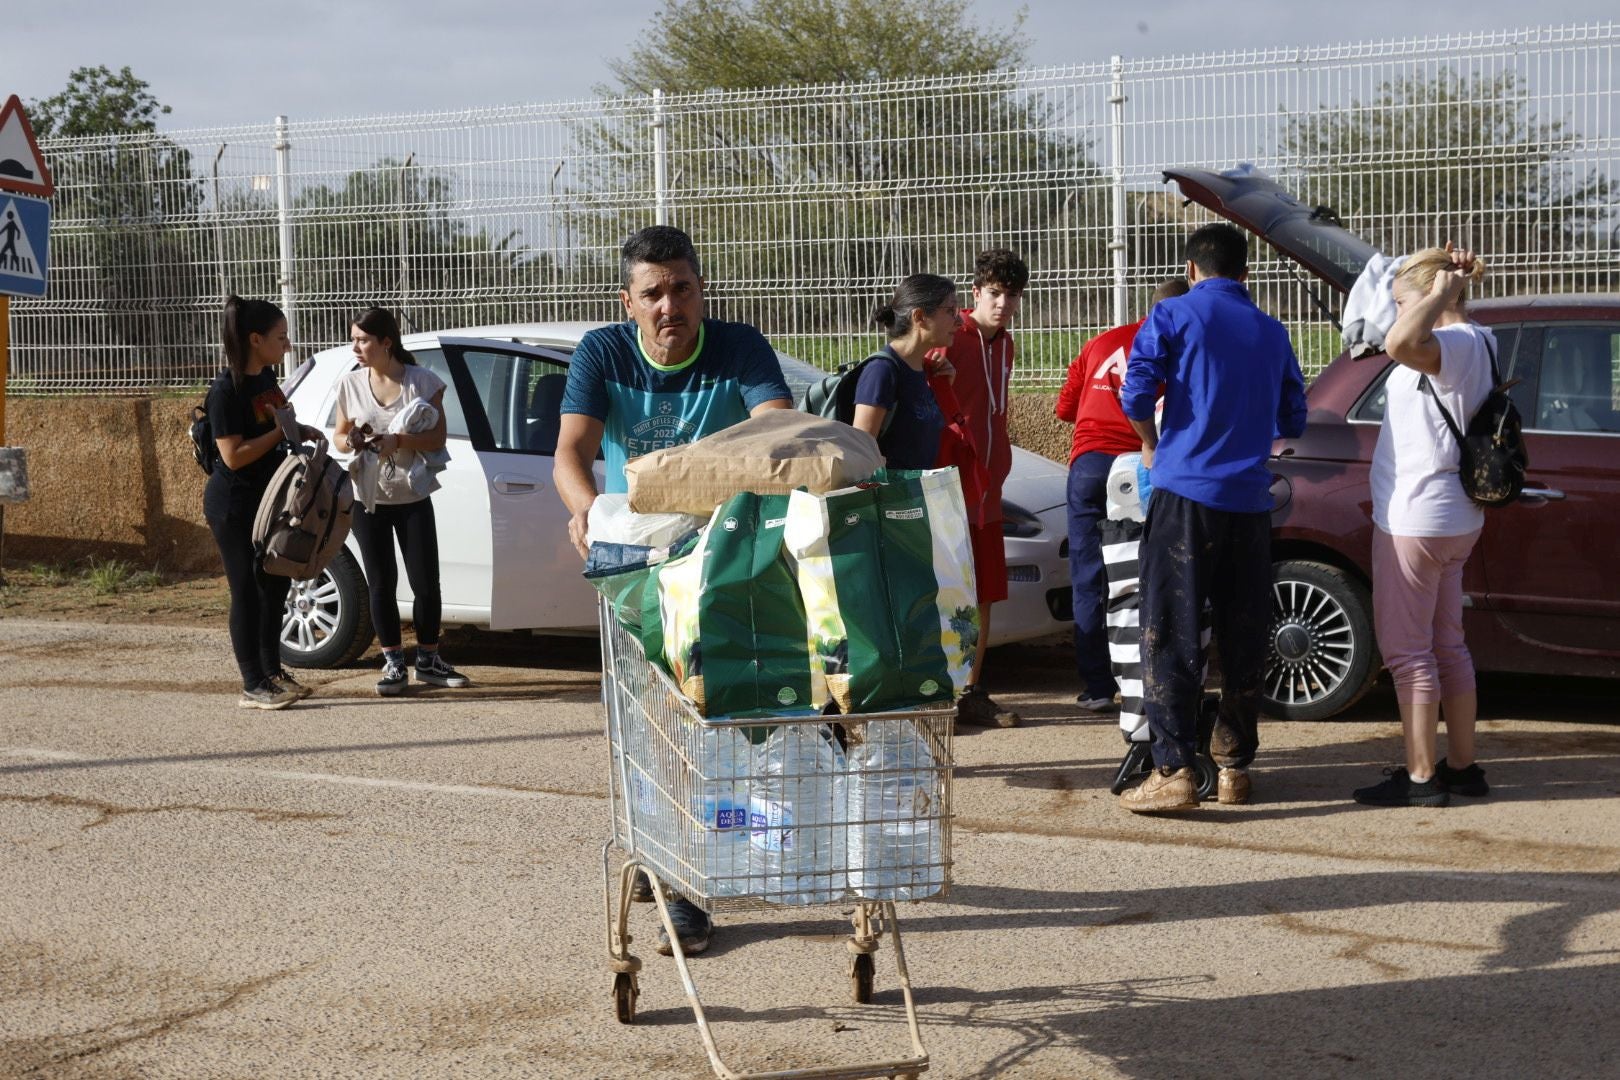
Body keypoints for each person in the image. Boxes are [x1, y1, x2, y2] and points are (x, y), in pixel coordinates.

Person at [553, 225, 792, 956]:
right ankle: (680, 883)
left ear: (700, 290)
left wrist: (703, 484)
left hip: (730, 564)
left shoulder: (739, 346)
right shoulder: (603, 352)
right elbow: (571, 451)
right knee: (659, 732)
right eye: (652, 293)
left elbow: (776, 429)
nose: (669, 306)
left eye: (681, 288)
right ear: (628, 301)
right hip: (643, 568)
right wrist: (587, 512)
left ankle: (740, 859)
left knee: (737, 724)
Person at [1118, 223, 1308, 812]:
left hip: (1184, 497)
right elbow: (1294, 417)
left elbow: (1133, 393)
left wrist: (1151, 440)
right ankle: (1234, 767)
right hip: (1249, 503)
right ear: (1245, 274)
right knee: (1244, 633)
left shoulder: (1173, 315)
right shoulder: (1272, 330)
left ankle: (1174, 768)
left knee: (1171, 630)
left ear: (1192, 269)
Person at [1353, 245, 1494, 808]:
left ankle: (1418, 778)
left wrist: (1435, 294)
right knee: (1446, 645)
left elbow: (1397, 341)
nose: (1393, 311)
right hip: (1453, 517)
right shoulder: (1480, 339)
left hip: (1417, 518)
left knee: (1409, 653)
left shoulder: (1452, 344)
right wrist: (1435, 284)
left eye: (1398, 300)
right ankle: (1462, 767)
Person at [1056, 278, 1189, 714]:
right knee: (1144, 574)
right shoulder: (1177, 345)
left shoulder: (1101, 343)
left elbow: (1064, 409)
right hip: (1137, 468)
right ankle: (1146, 679)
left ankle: (1096, 686)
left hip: (1088, 466)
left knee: (1087, 576)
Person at [333, 306, 468, 697]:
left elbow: (438, 439)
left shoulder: (423, 382)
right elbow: (338, 436)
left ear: (385, 342)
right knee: (380, 582)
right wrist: (352, 440)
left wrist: (400, 441)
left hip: (412, 495)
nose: (355, 346)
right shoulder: (350, 385)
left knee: (426, 581)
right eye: (354, 339)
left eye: (363, 340)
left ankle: (428, 660)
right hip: (367, 497)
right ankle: (393, 662)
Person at [926, 249, 1029, 729]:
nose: (1003, 303)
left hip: (989, 489)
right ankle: (934, 689)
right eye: (994, 293)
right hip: (951, 487)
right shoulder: (950, 339)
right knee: (945, 588)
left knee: (985, 590)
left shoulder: (1005, 344)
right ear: (976, 293)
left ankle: (972, 689)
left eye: (1011, 295)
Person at [204, 295, 316, 710]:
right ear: (255, 339)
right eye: (280, 337)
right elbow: (233, 455)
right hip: (233, 505)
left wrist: (301, 429)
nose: (287, 345)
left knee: (275, 584)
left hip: (269, 500)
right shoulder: (225, 390)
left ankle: (272, 673)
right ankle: (252, 683)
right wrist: (282, 434)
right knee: (247, 591)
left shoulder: (266, 378)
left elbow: (278, 421)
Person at [851, 274, 952, 469]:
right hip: (891, 497)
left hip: (919, 496)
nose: (958, 321)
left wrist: (946, 389)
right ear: (919, 317)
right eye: (950, 311)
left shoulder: (925, 370)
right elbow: (860, 453)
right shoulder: (881, 371)